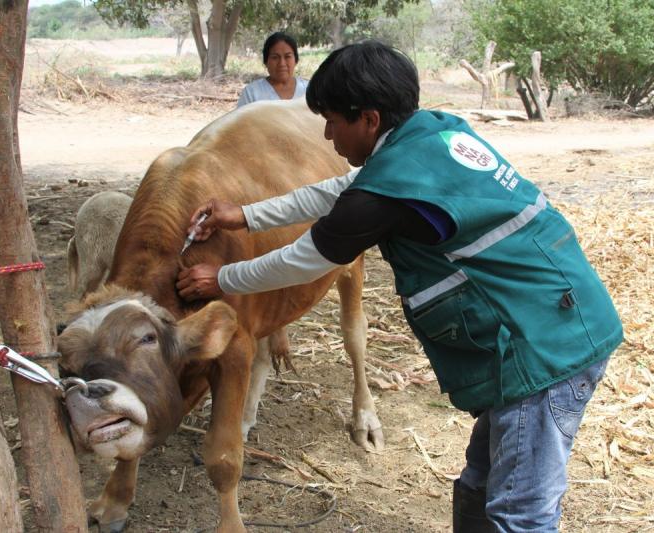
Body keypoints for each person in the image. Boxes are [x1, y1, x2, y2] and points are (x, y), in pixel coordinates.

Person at [176, 41, 623, 532]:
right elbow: (338, 190)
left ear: (368, 119)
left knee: (521, 514)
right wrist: (243, 215)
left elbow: (307, 259)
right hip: (550, 318)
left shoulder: (385, 194)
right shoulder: (432, 135)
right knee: (481, 483)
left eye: (332, 121)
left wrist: (221, 278)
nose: (326, 135)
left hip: (543, 350)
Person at [236, 32, 308, 108]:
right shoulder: (251, 93)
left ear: (296, 60)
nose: (282, 63)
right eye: (275, 57)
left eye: (287, 56)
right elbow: (242, 120)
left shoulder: (310, 90)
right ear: (266, 62)